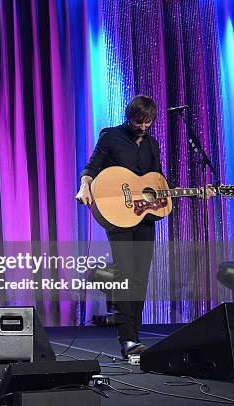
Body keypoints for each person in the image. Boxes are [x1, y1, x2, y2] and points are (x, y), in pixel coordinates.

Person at [75, 95, 214, 359]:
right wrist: (84, 186)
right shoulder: (110, 136)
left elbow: (157, 181)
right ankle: (126, 337)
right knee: (125, 273)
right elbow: (91, 167)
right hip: (117, 214)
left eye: (147, 122)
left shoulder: (153, 145)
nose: (142, 127)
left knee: (140, 276)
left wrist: (196, 192)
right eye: (138, 122)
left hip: (144, 218)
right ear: (129, 118)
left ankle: (135, 337)